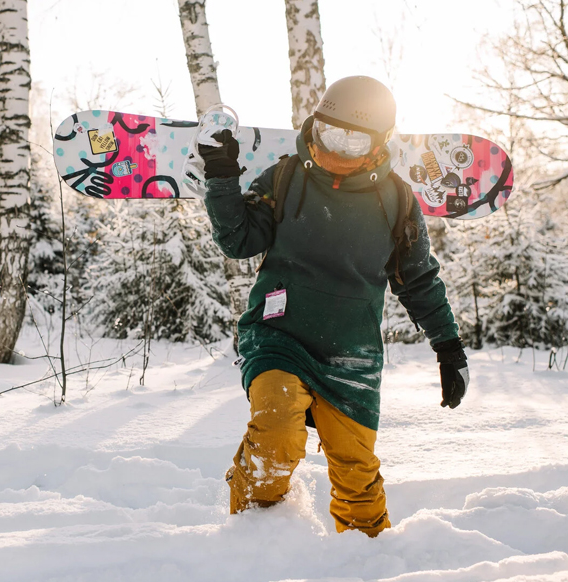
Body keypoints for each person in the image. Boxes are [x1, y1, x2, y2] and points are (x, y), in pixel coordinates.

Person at [198, 75, 470, 537]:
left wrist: (449, 347)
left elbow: (419, 279)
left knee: (356, 472)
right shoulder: (285, 178)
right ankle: (249, 542)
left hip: (353, 352)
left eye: (353, 138)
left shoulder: (398, 201)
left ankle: (366, 559)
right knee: (276, 434)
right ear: (315, 126)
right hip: (278, 336)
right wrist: (222, 176)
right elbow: (238, 239)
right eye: (329, 133)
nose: (338, 149)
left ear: (379, 144)